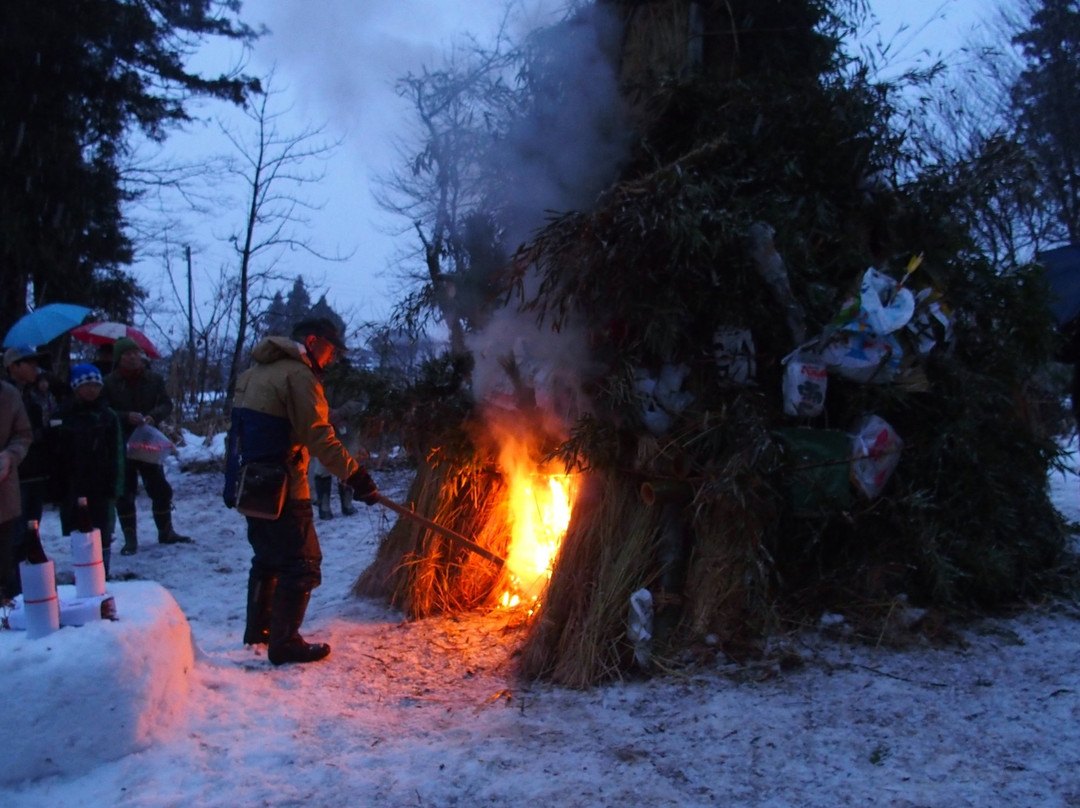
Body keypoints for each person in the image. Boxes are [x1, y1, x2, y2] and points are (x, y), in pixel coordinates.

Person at [223, 317, 379, 666]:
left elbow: (236, 435)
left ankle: (259, 633)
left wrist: (232, 483)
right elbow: (319, 435)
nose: (332, 357)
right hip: (285, 488)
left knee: (267, 559)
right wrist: (356, 476)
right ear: (312, 341)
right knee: (303, 563)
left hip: (252, 485)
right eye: (330, 349)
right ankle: (285, 643)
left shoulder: (254, 374)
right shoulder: (299, 376)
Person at [102, 336, 190, 555]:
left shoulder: (153, 379)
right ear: (119, 358)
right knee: (125, 493)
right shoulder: (109, 383)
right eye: (128, 354)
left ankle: (166, 531)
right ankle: (130, 539)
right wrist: (125, 416)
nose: (133, 357)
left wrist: (153, 416)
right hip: (122, 444)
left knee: (160, 488)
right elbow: (104, 410)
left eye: (136, 353)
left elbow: (166, 404)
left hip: (149, 442)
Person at [56, 364, 125, 577]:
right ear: (76, 387)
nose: (92, 389)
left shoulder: (108, 416)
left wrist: (116, 484)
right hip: (72, 483)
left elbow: (118, 451)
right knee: (78, 529)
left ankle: (103, 572)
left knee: (102, 529)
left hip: (101, 483)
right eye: (87, 385)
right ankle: (84, 571)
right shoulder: (63, 415)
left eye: (96, 385)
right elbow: (54, 452)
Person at [3, 345, 56, 593]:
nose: (35, 369)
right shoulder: (10, 395)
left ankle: (27, 585)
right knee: (13, 536)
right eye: (29, 363)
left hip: (34, 472)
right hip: (14, 478)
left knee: (29, 532)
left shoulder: (34, 396)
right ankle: (12, 588)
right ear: (13, 366)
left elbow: (26, 433)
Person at [0, 379, 32, 601]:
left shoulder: (8, 395)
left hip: (3, 494)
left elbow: (23, 434)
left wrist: (10, 456)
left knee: (3, 562)